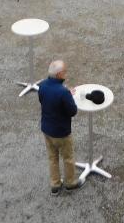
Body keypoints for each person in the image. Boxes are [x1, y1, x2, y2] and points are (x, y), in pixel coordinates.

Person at [38, 60, 81, 196]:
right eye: (64, 72)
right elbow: (73, 111)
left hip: (47, 130)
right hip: (61, 132)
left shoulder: (42, 85)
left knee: (52, 158)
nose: (66, 73)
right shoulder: (63, 92)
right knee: (68, 158)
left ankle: (55, 185)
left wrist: (66, 93)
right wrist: (68, 96)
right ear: (59, 74)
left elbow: (44, 100)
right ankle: (70, 183)